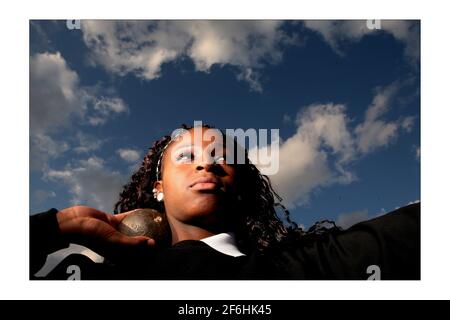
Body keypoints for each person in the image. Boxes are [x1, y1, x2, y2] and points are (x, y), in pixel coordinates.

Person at [30, 124, 420, 280]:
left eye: (222, 158)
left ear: (242, 185)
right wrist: (58, 226)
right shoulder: (93, 278)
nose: (206, 164)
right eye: (186, 157)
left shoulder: (315, 266)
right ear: (158, 187)